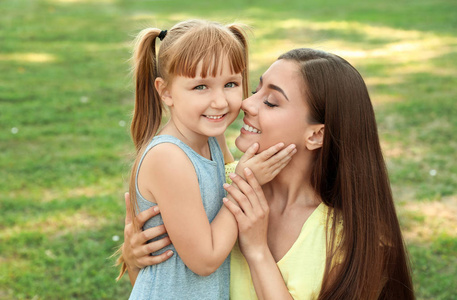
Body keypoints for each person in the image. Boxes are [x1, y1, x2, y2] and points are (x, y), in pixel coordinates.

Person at [121, 48, 415, 299]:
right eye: (254, 90)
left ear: (316, 135)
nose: (246, 104)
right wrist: (137, 262)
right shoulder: (220, 183)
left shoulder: (352, 240)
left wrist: (257, 250)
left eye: (271, 102)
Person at [118, 19, 297, 300]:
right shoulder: (169, 158)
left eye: (230, 84)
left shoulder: (212, 139)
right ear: (165, 92)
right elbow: (204, 260)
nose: (220, 102)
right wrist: (247, 182)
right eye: (201, 87)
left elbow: (227, 180)